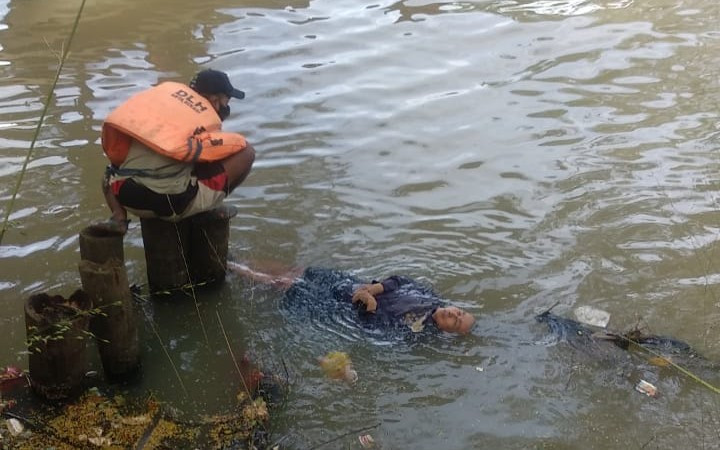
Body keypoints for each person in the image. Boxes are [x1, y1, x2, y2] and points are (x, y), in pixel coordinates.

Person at [100, 69, 256, 232]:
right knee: (247, 152)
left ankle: (118, 217)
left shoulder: (162, 103)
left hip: (125, 194)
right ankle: (207, 208)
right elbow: (212, 156)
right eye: (227, 101)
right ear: (215, 100)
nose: (226, 107)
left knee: (110, 171)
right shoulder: (206, 120)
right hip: (170, 203)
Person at [229, 262, 476, 335]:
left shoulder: (417, 333)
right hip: (353, 285)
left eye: (455, 322)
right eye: (460, 312)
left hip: (341, 307)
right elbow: (402, 281)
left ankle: (239, 270)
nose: (454, 315)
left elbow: (378, 330)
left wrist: (370, 306)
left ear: (446, 331)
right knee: (302, 271)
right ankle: (247, 265)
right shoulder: (430, 297)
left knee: (285, 286)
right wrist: (376, 289)